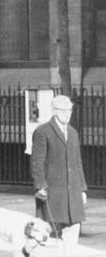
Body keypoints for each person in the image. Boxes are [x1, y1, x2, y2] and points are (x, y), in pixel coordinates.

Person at [31, 94, 87, 244]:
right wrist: (40, 186)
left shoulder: (73, 133)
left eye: (70, 110)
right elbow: (37, 162)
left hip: (72, 194)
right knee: (43, 237)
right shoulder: (43, 132)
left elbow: (77, 163)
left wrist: (82, 189)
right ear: (55, 111)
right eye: (63, 111)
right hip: (52, 193)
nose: (67, 114)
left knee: (72, 233)